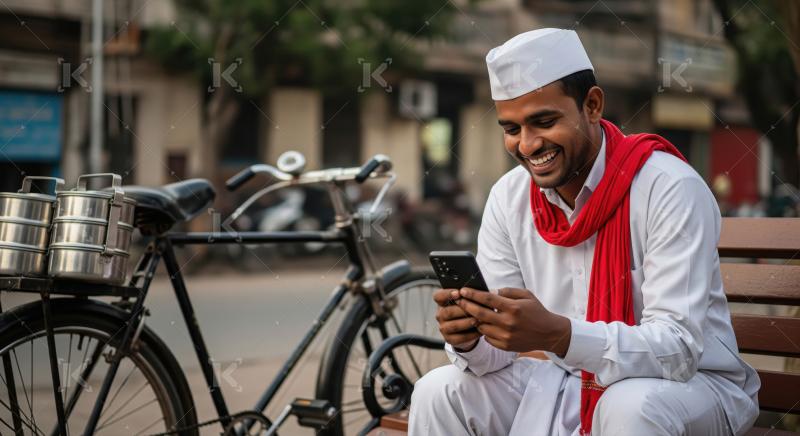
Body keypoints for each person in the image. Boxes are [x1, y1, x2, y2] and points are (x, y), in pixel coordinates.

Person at [409, 28, 760, 436]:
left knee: (629, 406)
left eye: (544, 122)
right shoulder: (509, 198)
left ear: (592, 105)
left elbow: (677, 351)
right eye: (512, 129)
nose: (527, 145)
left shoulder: (668, 187)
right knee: (438, 390)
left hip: (692, 387)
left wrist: (561, 335)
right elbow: (496, 355)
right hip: (568, 381)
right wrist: (471, 337)